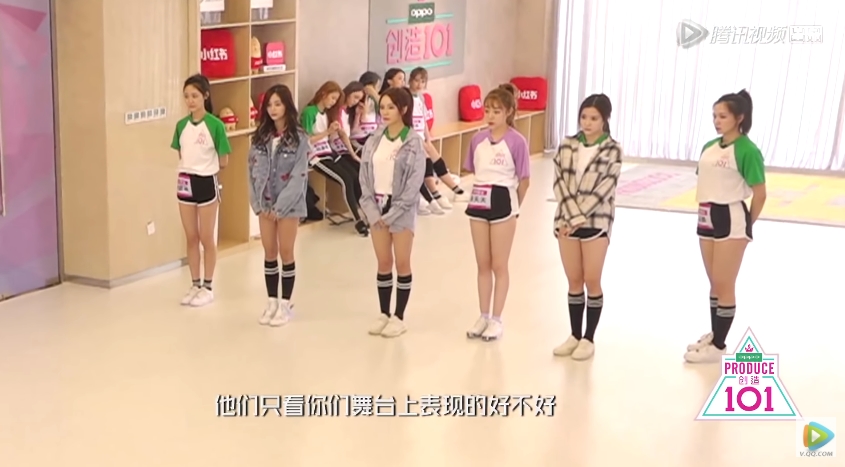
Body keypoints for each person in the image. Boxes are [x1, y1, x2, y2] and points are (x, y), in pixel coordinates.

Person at [684, 89, 766, 364]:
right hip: (706, 214)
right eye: (714, 116)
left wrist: (747, 226)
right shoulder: (709, 146)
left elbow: (760, 194)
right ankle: (714, 334)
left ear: (739, 118)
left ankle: (719, 346)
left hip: (731, 216)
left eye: (722, 116)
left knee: (724, 282)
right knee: (714, 283)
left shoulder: (747, 150)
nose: (717, 121)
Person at [551, 94, 622, 361]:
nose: (587, 123)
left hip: (596, 220)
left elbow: (605, 188)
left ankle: (589, 338)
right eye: (584, 117)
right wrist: (570, 218)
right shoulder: (567, 145)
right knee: (574, 280)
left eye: (594, 118)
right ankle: (574, 334)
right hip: (565, 221)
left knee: (592, 279)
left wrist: (578, 217)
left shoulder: (613, 149)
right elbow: (559, 181)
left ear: (605, 120)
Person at [463, 84, 531, 341]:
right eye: (487, 110)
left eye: (496, 111)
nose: (490, 116)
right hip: (479, 203)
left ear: (509, 112)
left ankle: (497, 318)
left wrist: (514, 208)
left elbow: (524, 180)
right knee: (482, 263)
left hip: (504, 203)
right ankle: (483, 315)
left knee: (499, 265)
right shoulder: (477, 140)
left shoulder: (517, 142)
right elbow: (473, 170)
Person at [358, 87, 426, 338]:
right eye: (382, 107)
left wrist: (392, 214)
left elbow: (414, 183)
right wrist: (372, 212)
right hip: (376, 208)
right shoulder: (374, 139)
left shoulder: (413, 142)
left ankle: (399, 316)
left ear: (403, 110)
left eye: (391, 107)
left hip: (401, 211)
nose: (385, 112)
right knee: (384, 262)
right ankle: (384, 313)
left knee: (402, 262)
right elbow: (364, 177)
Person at [248, 84, 310, 327]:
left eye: (278, 104)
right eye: (269, 105)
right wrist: (257, 203)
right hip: (265, 204)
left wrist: (280, 207)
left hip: (289, 205)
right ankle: (272, 301)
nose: (273, 109)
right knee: (269, 252)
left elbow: (299, 176)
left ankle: (285, 304)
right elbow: (251, 171)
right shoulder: (260, 138)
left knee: (286, 252)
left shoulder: (299, 138)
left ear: (287, 106)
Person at [171, 74, 231, 307]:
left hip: (207, 181)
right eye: (186, 96)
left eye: (195, 96)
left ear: (205, 96)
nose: (190, 101)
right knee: (191, 236)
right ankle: (195, 283)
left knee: (207, 236)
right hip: (185, 182)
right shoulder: (181, 126)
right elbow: (181, 154)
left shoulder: (215, 125)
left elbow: (224, 160)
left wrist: (205, 167)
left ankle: (208, 286)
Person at [301, 81, 368, 236]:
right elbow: (306, 140)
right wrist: (327, 132)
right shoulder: (309, 112)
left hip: (329, 152)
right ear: (323, 94)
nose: (333, 102)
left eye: (336, 100)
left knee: (355, 176)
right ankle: (358, 220)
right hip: (316, 156)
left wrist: (353, 155)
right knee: (345, 180)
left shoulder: (328, 114)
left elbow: (343, 135)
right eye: (332, 98)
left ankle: (366, 213)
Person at [380, 68, 443, 215]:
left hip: (406, 137)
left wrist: (425, 137)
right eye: (400, 79)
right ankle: (428, 199)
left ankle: (429, 198)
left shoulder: (409, 97)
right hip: (392, 140)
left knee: (416, 168)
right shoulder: (386, 98)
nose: (403, 82)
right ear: (389, 81)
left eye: (403, 78)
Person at [408, 66, 465, 204]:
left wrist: (428, 137)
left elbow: (423, 120)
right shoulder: (406, 97)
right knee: (427, 161)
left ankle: (456, 190)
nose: (419, 84)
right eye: (416, 80)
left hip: (422, 136)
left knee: (437, 158)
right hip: (411, 138)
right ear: (410, 80)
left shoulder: (421, 98)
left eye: (422, 81)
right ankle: (435, 195)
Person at [331, 81, 365, 169]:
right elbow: (342, 134)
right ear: (348, 93)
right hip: (338, 150)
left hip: (346, 149)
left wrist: (358, 114)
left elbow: (353, 133)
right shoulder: (338, 110)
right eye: (355, 97)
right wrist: (354, 155)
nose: (356, 101)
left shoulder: (347, 112)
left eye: (358, 99)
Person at [350, 71, 381, 150]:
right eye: (377, 86)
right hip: (359, 140)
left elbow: (384, 107)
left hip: (371, 137)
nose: (378, 90)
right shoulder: (359, 100)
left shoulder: (374, 100)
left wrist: (374, 95)